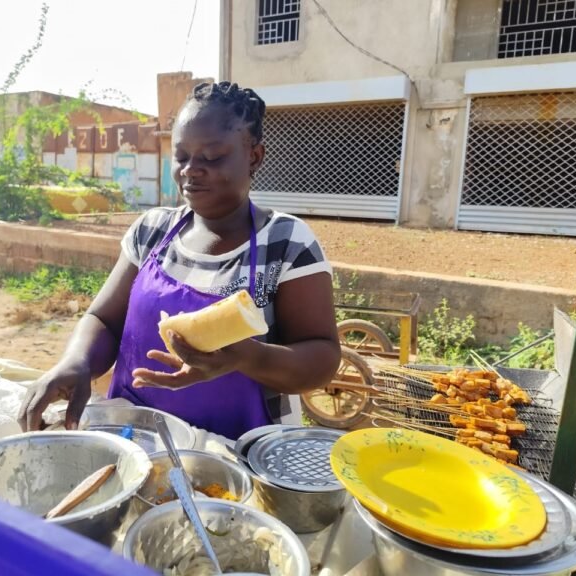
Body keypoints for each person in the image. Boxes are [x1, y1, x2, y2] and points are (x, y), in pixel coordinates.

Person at [18, 81, 340, 439]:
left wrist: (246, 357)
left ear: (254, 156)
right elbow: (104, 319)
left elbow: (322, 358)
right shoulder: (152, 230)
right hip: (138, 438)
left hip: (240, 454)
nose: (190, 169)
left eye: (212, 157)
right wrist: (76, 362)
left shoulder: (285, 242)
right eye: (182, 156)